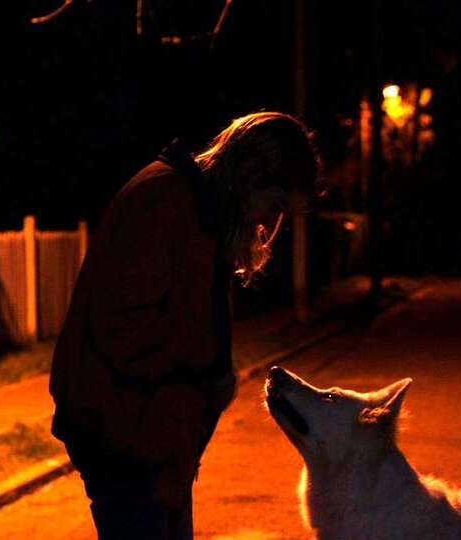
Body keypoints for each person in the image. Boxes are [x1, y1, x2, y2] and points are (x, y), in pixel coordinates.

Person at [49, 112, 321, 539]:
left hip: (152, 438)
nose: (266, 224)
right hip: (124, 435)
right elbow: (123, 329)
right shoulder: (164, 202)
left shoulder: (198, 214)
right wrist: (205, 362)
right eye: (274, 205)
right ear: (249, 172)